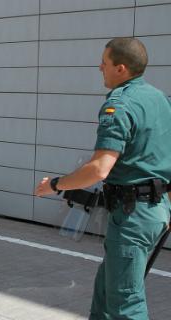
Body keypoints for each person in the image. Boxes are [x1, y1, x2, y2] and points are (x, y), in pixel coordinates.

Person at [35, 37, 171, 320]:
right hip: (153, 211)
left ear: (121, 68)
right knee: (106, 292)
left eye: (104, 62)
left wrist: (55, 185)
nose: (100, 67)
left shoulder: (120, 104)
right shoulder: (158, 99)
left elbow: (99, 169)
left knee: (125, 303)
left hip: (133, 216)